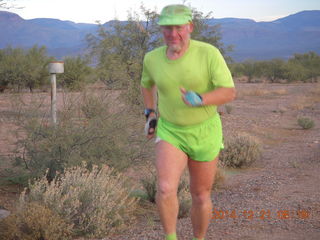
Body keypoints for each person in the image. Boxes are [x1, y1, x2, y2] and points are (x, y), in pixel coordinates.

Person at [141, 4, 235, 240]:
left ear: (190, 27)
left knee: (200, 194)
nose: (173, 34)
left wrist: (200, 99)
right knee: (164, 188)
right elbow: (146, 83)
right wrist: (150, 114)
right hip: (171, 130)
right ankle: (170, 238)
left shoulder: (209, 53)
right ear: (160, 30)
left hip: (205, 132)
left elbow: (228, 92)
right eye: (166, 28)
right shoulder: (152, 58)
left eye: (178, 27)